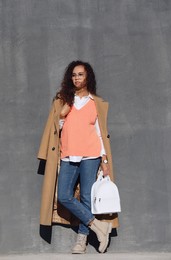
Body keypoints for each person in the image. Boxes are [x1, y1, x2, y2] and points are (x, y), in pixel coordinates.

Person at [37, 60, 119, 254]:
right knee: (64, 195)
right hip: (67, 154)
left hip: (90, 155)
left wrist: (104, 160)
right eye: (74, 75)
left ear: (87, 77)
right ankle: (98, 226)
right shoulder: (63, 100)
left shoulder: (96, 103)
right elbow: (54, 130)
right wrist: (62, 116)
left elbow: (100, 134)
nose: (77, 78)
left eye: (80, 74)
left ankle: (81, 240)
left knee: (86, 197)